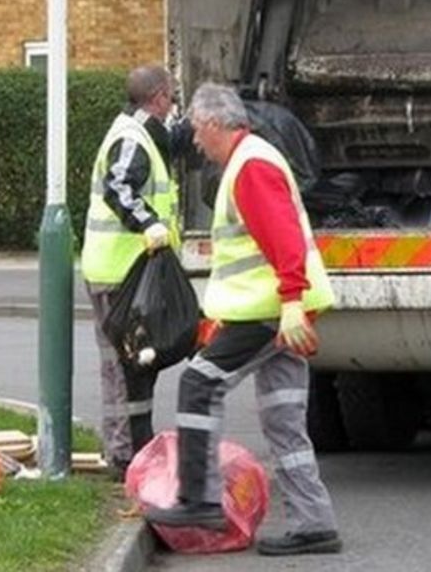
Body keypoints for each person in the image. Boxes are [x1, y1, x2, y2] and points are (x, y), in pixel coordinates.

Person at [144, 83, 342, 556]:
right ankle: (314, 523)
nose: (195, 141)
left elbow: (283, 238)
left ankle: (200, 500)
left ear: (215, 124)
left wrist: (290, 301)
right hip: (280, 312)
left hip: (270, 311)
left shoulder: (250, 166)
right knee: (284, 420)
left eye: (197, 130)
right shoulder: (253, 159)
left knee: (198, 383)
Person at [81, 65, 182, 482]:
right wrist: (148, 223)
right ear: (158, 97)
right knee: (125, 368)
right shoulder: (131, 138)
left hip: (118, 269)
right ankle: (125, 454)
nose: (173, 105)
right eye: (172, 97)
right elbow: (118, 186)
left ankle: (128, 449)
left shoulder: (137, 133)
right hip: (119, 271)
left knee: (129, 366)